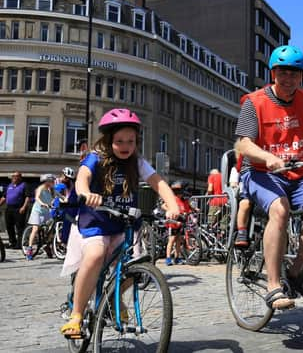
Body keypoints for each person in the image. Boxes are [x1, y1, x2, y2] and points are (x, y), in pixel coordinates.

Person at [60, 108, 180, 338]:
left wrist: (172, 205)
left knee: (137, 267)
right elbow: (82, 177)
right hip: (96, 221)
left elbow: (159, 183)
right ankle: (76, 315)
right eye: (119, 141)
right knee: (96, 255)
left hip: (124, 224)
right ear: (108, 140)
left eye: (131, 141)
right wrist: (86, 192)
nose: (126, 146)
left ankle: (111, 296)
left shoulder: (137, 162)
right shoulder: (96, 158)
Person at [235, 44, 303, 310]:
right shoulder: (254, 102)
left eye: (294, 73)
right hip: (260, 172)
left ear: (301, 76)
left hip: (298, 172)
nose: (288, 77)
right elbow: (243, 145)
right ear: (273, 73)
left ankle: (295, 271)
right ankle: (273, 286)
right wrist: (268, 157)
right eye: (283, 71)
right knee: (279, 210)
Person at [25, 174, 56, 260]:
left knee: (52, 228)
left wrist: (65, 200)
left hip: (47, 211)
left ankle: (46, 245)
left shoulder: (52, 190)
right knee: (35, 229)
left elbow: (60, 197)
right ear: (47, 181)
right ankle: (29, 249)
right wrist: (43, 204)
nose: (53, 183)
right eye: (52, 181)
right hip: (38, 211)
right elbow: (37, 198)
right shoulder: (40, 188)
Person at [0, 172, 30, 249]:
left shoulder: (24, 185)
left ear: (20, 177)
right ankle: (12, 242)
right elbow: (4, 197)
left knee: (19, 227)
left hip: (19, 208)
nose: (14, 177)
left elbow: (27, 197)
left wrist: (24, 207)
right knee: (9, 226)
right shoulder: (9, 186)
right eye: (13, 176)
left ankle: (19, 244)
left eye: (16, 176)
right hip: (9, 208)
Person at [164, 181, 191, 266]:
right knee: (172, 240)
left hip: (181, 221)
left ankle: (177, 258)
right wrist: (170, 210)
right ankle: (168, 258)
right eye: (181, 193)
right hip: (174, 222)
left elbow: (187, 208)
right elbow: (164, 205)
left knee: (179, 240)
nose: (182, 195)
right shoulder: (173, 199)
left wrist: (192, 210)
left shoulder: (184, 201)